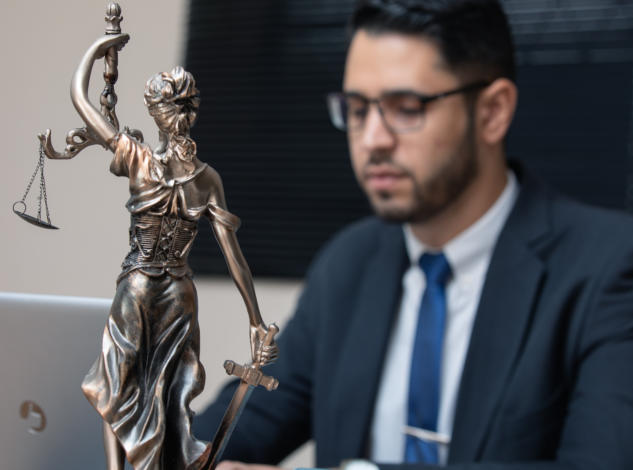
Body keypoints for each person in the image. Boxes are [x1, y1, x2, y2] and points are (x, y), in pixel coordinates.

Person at [194, 0, 633, 469]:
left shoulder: (609, 266)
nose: (372, 140)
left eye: (406, 108)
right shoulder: (350, 263)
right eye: (357, 109)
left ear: (493, 111)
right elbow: (235, 428)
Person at [46, 33, 278, 470]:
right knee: (142, 388)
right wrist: (255, 320)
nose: (184, 114)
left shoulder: (171, 168)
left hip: (157, 291)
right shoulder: (172, 168)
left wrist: (99, 47)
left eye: (184, 104)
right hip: (158, 292)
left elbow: (79, 96)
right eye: (180, 106)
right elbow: (235, 258)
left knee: (144, 389)